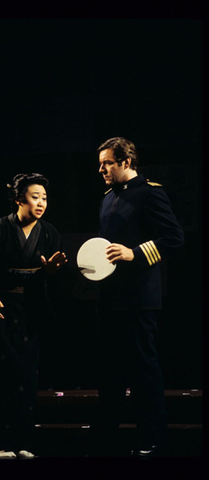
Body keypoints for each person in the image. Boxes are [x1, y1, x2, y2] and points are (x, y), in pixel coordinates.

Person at [91, 137, 184, 457]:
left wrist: (134, 254)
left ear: (126, 162)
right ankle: (106, 438)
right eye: (101, 162)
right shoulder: (106, 198)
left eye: (107, 162)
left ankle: (153, 438)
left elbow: (174, 237)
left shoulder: (150, 192)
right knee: (109, 370)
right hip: (110, 297)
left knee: (144, 370)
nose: (101, 168)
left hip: (139, 297)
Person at [0, 173, 67, 459]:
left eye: (45, 198)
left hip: (32, 310)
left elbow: (56, 281)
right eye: (35, 197)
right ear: (19, 199)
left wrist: (50, 272)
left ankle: (22, 440)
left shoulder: (48, 233)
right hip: (2, 308)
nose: (41, 202)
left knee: (26, 377)